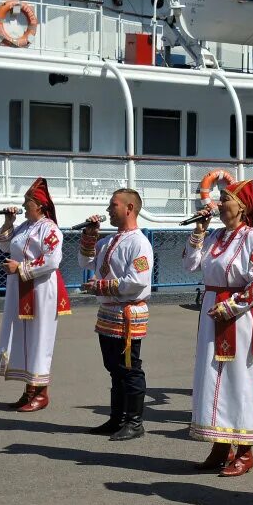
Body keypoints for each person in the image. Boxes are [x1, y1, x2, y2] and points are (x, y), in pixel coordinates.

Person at [183, 180, 253, 476]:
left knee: (237, 380)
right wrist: (198, 231)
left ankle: (244, 452)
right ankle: (220, 445)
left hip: (237, 317)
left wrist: (232, 306)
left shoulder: (252, 238)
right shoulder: (216, 236)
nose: (219, 204)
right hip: (212, 313)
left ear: (242, 207)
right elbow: (191, 265)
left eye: (225, 199)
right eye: (220, 199)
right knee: (211, 378)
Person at [78, 189, 153, 442]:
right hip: (109, 313)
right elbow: (85, 262)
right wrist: (89, 237)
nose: (109, 210)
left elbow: (138, 281)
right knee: (114, 368)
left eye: (113, 205)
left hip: (128, 313)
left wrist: (99, 286)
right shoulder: (109, 241)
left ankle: (134, 422)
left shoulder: (139, 242)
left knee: (129, 368)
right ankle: (117, 418)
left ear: (129, 208)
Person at [0, 177, 71, 412]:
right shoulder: (24, 226)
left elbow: (52, 259)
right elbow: (6, 246)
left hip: (41, 290)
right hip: (20, 288)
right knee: (23, 337)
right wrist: (8, 221)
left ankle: (41, 392)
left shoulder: (50, 228)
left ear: (39, 205)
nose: (23, 205)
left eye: (27, 202)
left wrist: (20, 268)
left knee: (40, 338)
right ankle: (29, 390)